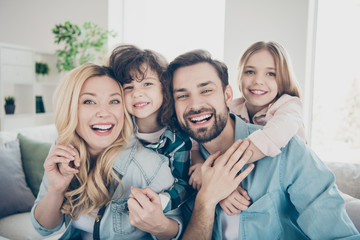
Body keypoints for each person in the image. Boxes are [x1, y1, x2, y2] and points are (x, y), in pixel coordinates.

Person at [166, 49, 360, 239]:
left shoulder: (288, 150)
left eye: (206, 90)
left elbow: (339, 234)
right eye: (182, 96)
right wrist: (206, 199)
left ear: (227, 96)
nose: (195, 105)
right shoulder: (177, 165)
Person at [30, 63, 182, 239]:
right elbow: (44, 228)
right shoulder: (62, 150)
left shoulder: (149, 165)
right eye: (89, 101)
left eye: (114, 101)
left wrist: (159, 225)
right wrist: (56, 189)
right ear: (70, 107)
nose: (104, 112)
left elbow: (180, 230)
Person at [187, 41, 307, 215]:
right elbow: (196, 139)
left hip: (295, 190)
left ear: (284, 78)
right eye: (250, 72)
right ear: (239, 76)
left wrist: (213, 177)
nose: (258, 81)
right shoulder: (233, 108)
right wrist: (200, 166)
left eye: (271, 74)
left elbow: (270, 139)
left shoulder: (290, 106)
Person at [108, 44, 195, 213]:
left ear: (164, 88)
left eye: (147, 84)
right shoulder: (117, 131)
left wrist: (161, 202)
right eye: (129, 87)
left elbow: (183, 185)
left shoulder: (177, 139)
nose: (137, 93)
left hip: (159, 213)